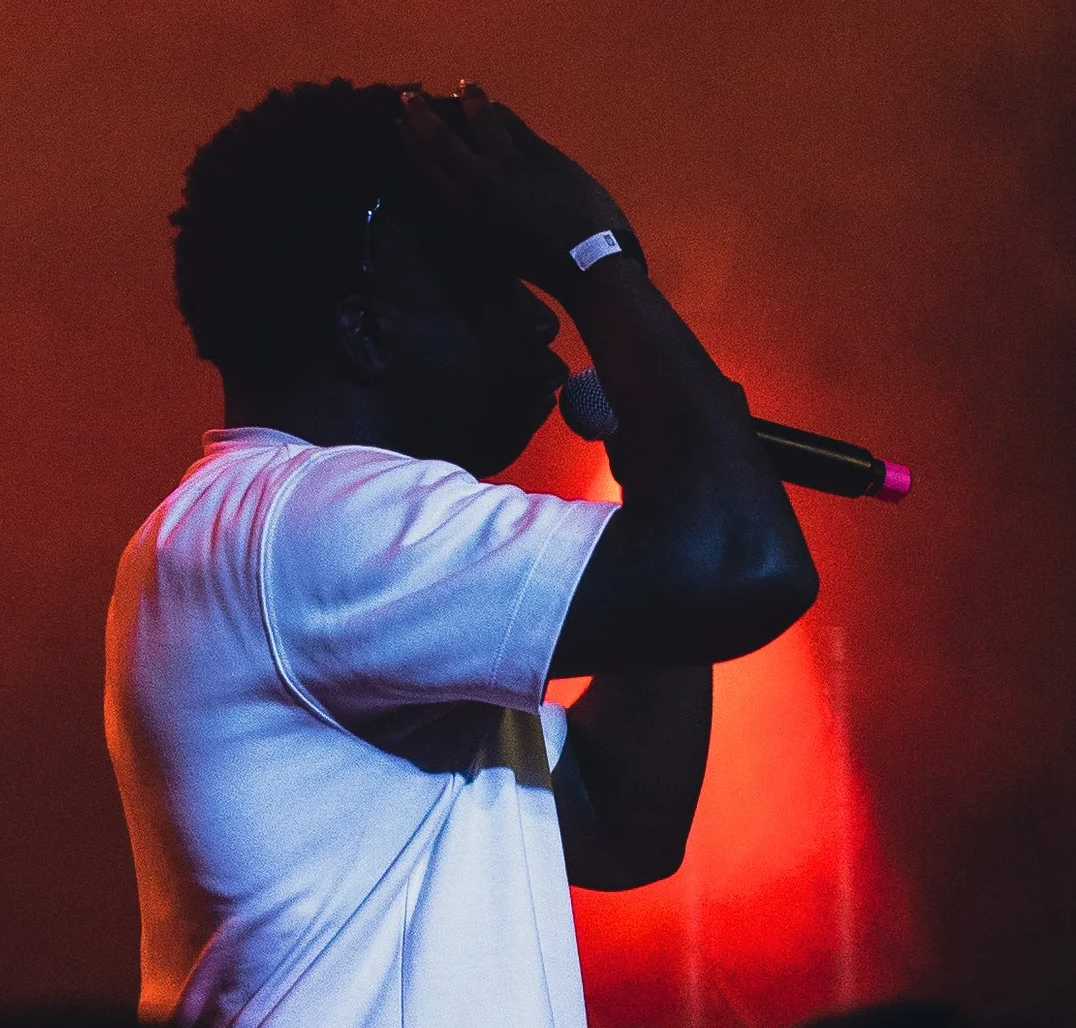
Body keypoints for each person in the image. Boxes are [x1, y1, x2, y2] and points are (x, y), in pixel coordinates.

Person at [105, 79, 817, 1026]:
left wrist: (666, 458)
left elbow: (620, 820)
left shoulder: (278, 545)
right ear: (364, 331)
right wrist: (596, 259)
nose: (537, 320)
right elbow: (744, 567)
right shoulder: (309, 519)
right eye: (480, 282)